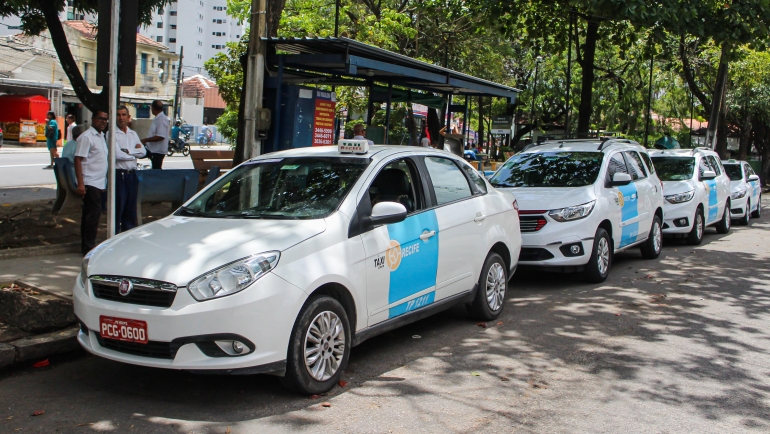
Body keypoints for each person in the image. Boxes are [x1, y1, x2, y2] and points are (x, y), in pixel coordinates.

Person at [74, 110, 109, 255]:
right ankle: (88, 247)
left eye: (105, 119)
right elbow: (78, 159)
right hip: (90, 182)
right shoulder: (87, 137)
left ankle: (87, 245)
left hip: (99, 182)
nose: (103, 122)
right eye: (100, 118)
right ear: (93, 119)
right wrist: (81, 183)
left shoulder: (101, 136)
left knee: (91, 216)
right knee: (92, 216)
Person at [114, 105, 146, 233]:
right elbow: (117, 155)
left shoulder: (133, 134)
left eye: (123, 115)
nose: (121, 118)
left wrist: (128, 151)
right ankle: (114, 236)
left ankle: (128, 237)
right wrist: (134, 153)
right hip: (119, 175)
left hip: (132, 175)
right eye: (118, 115)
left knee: (130, 208)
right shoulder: (112, 134)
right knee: (118, 208)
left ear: (128, 117)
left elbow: (143, 152)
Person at [141, 100, 170, 169]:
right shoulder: (158, 118)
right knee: (137, 153)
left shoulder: (161, 119)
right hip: (152, 149)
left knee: (156, 170)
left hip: (157, 151)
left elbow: (161, 136)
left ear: (153, 108)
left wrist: (145, 140)